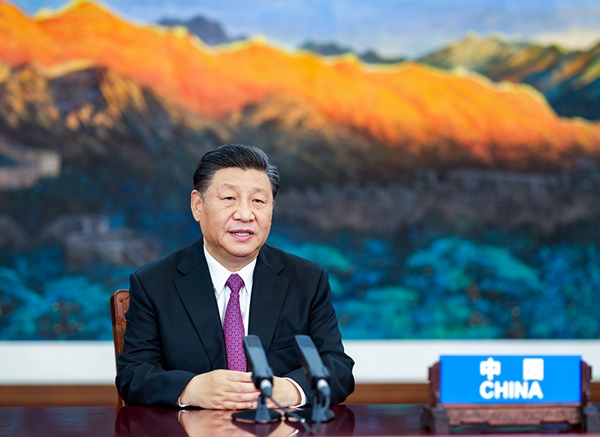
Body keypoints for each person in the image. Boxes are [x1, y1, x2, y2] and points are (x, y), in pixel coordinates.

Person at [115, 143, 355, 409]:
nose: (245, 214)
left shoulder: (307, 281)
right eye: (229, 198)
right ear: (197, 205)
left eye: (258, 201)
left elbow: (337, 367)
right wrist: (192, 389)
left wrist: (289, 390)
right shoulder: (154, 283)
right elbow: (133, 374)